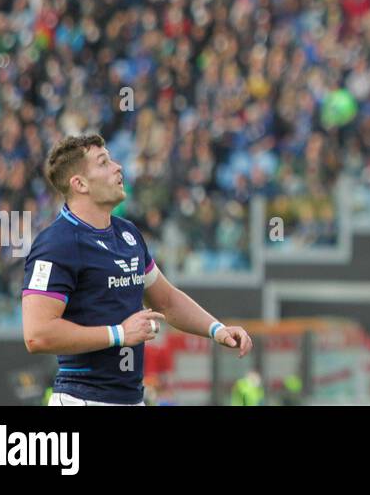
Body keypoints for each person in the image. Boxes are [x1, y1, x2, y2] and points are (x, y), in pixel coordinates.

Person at [21, 135, 252, 405]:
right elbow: (37, 335)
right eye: (103, 162)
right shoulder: (56, 244)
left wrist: (217, 329)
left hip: (132, 399)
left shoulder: (127, 233)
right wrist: (119, 334)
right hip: (82, 399)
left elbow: (165, 300)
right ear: (80, 183)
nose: (117, 167)